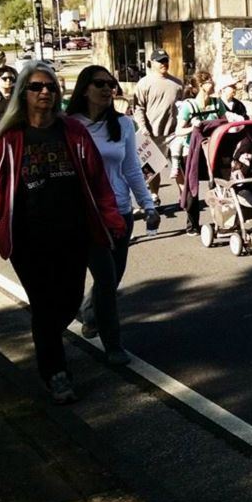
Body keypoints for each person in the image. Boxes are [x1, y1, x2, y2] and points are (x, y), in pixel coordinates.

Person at [0, 61, 127, 405]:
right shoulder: (7, 138)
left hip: (74, 234)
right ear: (23, 93)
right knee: (43, 305)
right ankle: (56, 373)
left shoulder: (73, 132)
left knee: (68, 302)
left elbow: (98, 183)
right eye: (37, 87)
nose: (45, 93)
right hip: (28, 239)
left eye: (51, 87)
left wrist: (112, 221)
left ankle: (46, 345)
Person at [65, 65, 160, 360]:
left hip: (120, 213)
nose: (107, 89)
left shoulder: (124, 125)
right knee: (106, 279)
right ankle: (113, 345)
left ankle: (90, 312)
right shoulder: (69, 125)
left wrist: (148, 204)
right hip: (86, 215)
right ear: (84, 89)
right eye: (99, 84)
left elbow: (132, 168)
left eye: (111, 84)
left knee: (114, 277)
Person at [175, 71, 226, 234]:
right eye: (210, 81)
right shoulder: (188, 107)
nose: (214, 83)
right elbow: (178, 131)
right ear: (202, 86)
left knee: (219, 185)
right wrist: (194, 127)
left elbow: (224, 123)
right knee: (191, 189)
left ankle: (223, 221)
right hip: (191, 151)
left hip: (212, 150)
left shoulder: (217, 104)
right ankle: (192, 225)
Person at [132, 48, 184, 208]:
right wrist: (143, 127)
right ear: (152, 63)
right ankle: (154, 195)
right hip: (153, 134)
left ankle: (185, 198)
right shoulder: (144, 84)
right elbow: (138, 108)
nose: (164, 64)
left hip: (175, 133)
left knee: (180, 166)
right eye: (160, 61)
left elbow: (183, 107)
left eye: (165, 60)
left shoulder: (177, 84)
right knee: (152, 168)